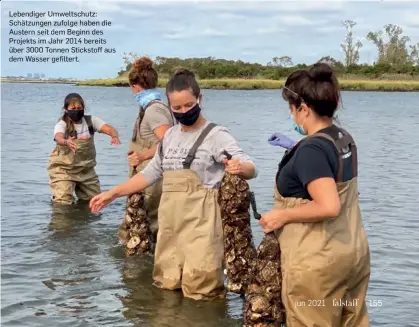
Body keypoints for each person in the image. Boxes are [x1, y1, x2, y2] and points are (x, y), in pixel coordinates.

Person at [90, 68, 258, 301]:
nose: (183, 111)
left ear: (200, 99)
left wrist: (241, 168)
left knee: (203, 294)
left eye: (188, 105)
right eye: (177, 108)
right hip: (170, 228)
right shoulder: (169, 137)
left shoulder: (216, 135)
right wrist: (112, 194)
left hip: (203, 230)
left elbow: (251, 166)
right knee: (165, 289)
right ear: (169, 106)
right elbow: (149, 174)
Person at [259, 63, 370, 327]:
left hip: (319, 261)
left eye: (292, 109)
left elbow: (329, 205)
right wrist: (296, 146)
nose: (292, 115)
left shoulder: (312, 150)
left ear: (304, 109)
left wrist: (281, 215)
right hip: (352, 253)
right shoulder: (343, 137)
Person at [118, 56, 176, 244]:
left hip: (152, 178)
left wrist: (143, 155)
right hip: (146, 177)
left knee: (146, 225)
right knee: (138, 225)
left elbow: (170, 142)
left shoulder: (154, 110)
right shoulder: (150, 107)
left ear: (134, 86)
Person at [47, 92, 120, 205]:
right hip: (64, 170)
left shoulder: (91, 121)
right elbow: (58, 137)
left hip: (86, 170)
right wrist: (66, 141)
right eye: (73, 108)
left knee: (95, 201)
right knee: (63, 202)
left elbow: (109, 129)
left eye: (79, 108)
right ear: (66, 109)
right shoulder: (62, 124)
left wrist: (114, 136)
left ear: (83, 108)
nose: (76, 110)